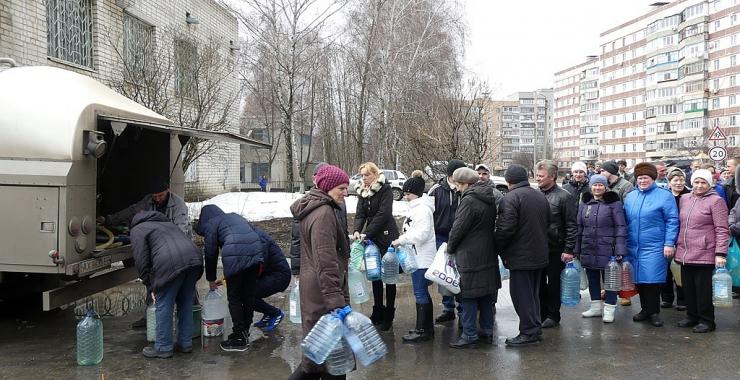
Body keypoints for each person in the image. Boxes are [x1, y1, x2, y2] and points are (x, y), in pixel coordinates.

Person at [288, 165, 351, 380]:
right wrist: (336, 302)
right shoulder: (323, 213)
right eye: (341, 188)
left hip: (315, 287)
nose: (346, 193)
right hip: (324, 291)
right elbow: (326, 261)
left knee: (322, 355)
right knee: (325, 358)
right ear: (328, 186)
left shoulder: (316, 207)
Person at [130, 211, 203, 358]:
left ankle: (163, 347)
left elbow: (141, 260)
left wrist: (150, 286)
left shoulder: (137, 229)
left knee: (164, 304)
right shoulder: (169, 224)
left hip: (170, 263)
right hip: (195, 259)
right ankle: (185, 343)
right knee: (186, 302)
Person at [196, 205, 265, 352]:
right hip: (256, 252)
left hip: (235, 253)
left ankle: (238, 336)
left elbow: (210, 254)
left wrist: (211, 279)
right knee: (248, 295)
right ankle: (245, 331)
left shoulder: (211, 224)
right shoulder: (234, 216)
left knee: (234, 297)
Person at [496, 164, 549, 347]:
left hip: (521, 256)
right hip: (539, 253)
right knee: (533, 294)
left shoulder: (510, 198)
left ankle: (528, 332)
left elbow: (505, 229)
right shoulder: (539, 195)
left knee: (521, 295)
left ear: (508, 180)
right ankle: (535, 328)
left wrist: (498, 247)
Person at [446, 167, 500, 349]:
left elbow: (458, 228)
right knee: (485, 294)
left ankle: (469, 335)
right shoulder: (489, 196)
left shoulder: (469, 200)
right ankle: (486, 330)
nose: (458, 189)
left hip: (469, 254)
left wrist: (450, 247)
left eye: (458, 185)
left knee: (468, 295)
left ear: (465, 184)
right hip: (487, 251)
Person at [623, 163, 679, 328]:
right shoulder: (631, 196)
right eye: (639, 178)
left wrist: (669, 243)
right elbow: (624, 221)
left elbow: (672, 220)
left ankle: (654, 311)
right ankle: (645, 309)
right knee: (639, 279)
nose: (642, 181)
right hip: (633, 245)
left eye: (645, 178)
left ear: (653, 178)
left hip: (655, 245)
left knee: (652, 279)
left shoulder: (664, 196)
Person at [674, 169, 730, 333]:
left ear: (710, 184)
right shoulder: (685, 198)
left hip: (705, 252)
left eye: (703, 182)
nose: (699, 185)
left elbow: (722, 229)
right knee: (688, 288)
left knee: (703, 290)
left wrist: (720, 253)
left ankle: (707, 321)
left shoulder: (716, 201)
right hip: (685, 252)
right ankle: (692, 316)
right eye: (696, 182)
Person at [352, 162, 400, 331]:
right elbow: (360, 213)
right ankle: (377, 310)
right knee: (375, 274)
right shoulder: (362, 191)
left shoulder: (385, 189)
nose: (363, 178)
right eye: (361, 175)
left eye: (366, 175)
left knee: (389, 275)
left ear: (375, 174)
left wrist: (368, 232)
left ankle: (389, 313)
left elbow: (383, 213)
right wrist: (357, 230)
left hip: (387, 235)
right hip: (371, 236)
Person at [573, 175, 627, 323]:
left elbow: (620, 227)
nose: (597, 188)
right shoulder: (585, 203)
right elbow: (579, 227)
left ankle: (609, 309)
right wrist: (576, 249)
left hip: (608, 248)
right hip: (588, 247)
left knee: (610, 280)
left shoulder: (614, 203)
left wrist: (619, 249)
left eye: (600, 185)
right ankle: (596, 307)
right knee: (592, 278)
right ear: (591, 186)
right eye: (595, 185)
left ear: (606, 187)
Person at [391, 176, 437, 343]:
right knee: (421, 292)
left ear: (415, 194)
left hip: (422, 258)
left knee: (420, 292)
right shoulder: (415, 208)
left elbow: (422, 234)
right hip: (416, 256)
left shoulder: (422, 210)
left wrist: (402, 240)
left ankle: (423, 330)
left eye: (407, 194)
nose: (404, 196)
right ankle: (425, 327)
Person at [536, 160, 577, 329]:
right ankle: (541, 313)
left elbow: (571, 225)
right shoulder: (535, 194)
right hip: (537, 248)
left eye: (541, 176)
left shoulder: (564, 196)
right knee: (538, 283)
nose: (538, 179)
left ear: (552, 177)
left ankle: (553, 315)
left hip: (556, 248)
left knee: (553, 283)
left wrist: (569, 249)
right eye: (536, 175)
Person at [290, 163, 348, 277]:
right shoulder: (306, 205)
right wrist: (297, 268)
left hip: (338, 261)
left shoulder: (340, 201)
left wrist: (346, 254)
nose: (345, 193)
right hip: (318, 265)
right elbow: (297, 238)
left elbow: (343, 229)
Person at [428, 159, 466, 323]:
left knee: (461, 271)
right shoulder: (436, 190)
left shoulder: (465, 188)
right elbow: (428, 214)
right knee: (444, 271)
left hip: (462, 236)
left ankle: (463, 307)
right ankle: (447, 307)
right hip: (441, 236)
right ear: (451, 175)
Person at [99, 176, 192, 239]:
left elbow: (181, 229)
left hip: (179, 240)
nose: (158, 199)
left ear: (167, 190)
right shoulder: (148, 200)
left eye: (160, 195)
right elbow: (131, 211)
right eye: (155, 196)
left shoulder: (178, 204)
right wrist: (108, 220)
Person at [252, 228, 291, 332]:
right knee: (243, 292)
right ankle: (268, 313)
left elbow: (258, 263)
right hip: (269, 274)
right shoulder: (252, 233)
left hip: (280, 276)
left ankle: (275, 313)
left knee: (247, 293)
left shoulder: (257, 237)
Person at [662, 167, 689, 311]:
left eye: (681, 180)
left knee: (680, 270)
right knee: (666, 270)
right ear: (669, 182)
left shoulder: (689, 196)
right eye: (675, 180)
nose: (679, 183)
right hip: (666, 237)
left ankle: (682, 299)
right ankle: (666, 298)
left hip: (684, 237)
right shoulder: (665, 196)